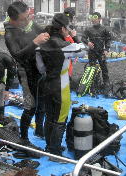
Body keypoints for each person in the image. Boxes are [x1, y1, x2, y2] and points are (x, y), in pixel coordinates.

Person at [36, 13, 86, 159]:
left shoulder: (40, 46)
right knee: (60, 119)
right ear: (63, 29)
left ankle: (49, 146)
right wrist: (74, 36)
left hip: (46, 84)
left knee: (49, 116)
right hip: (61, 86)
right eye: (68, 27)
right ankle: (55, 152)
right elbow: (82, 51)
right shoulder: (67, 46)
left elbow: (41, 69)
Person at [5, 1, 49, 146]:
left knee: (42, 102)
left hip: (38, 69)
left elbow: (44, 30)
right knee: (30, 106)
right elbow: (17, 55)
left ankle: (39, 129)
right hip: (25, 73)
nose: (27, 21)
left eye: (28, 16)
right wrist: (35, 42)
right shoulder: (9, 33)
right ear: (13, 19)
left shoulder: (29, 24)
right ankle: (23, 138)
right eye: (23, 19)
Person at [82, 12, 111, 92]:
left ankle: (106, 85)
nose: (93, 20)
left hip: (101, 52)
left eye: (95, 19)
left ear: (99, 19)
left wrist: (106, 49)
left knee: (104, 69)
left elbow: (108, 39)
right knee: (92, 68)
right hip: (92, 52)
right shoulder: (88, 29)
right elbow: (83, 38)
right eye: (92, 19)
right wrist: (88, 43)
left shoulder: (104, 29)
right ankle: (93, 85)